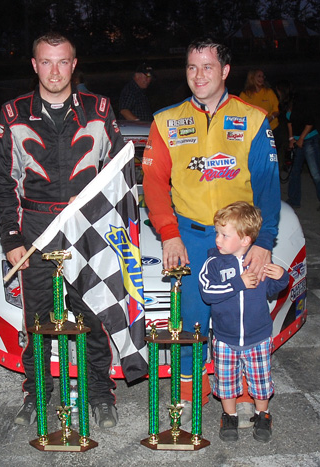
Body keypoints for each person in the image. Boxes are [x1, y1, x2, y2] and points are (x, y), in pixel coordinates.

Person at [142, 38, 280, 429]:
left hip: (243, 241)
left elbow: (268, 186)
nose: (198, 75)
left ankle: (247, 393)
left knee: (243, 315)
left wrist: (264, 243)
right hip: (191, 236)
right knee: (191, 318)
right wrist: (169, 234)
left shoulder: (252, 118)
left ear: (225, 71)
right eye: (191, 67)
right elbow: (153, 183)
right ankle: (190, 393)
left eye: (207, 67)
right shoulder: (166, 120)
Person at [0, 32, 125, 428]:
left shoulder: (100, 109)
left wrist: (105, 218)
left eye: (62, 61)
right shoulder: (13, 113)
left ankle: (100, 393)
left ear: (74, 64)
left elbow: (119, 172)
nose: (54, 71)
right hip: (35, 230)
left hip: (86, 228)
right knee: (37, 322)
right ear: (34, 65)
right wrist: (11, 238)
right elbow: (2, 181)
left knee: (93, 317)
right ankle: (37, 394)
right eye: (46, 62)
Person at [199, 201, 289, 442]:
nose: (217, 239)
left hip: (258, 337)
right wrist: (238, 283)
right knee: (226, 382)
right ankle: (229, 416)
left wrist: (282, 278)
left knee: (261, 381)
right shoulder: (214, 263)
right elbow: (207, 292)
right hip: (225, 338)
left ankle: (263, 414)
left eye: (224, 235)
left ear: (246, 240)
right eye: (217, 233)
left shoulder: (258, 263)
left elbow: (273, 289)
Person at [275, 81, 320, 210]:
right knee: (294, 171)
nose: (277, 94)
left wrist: (301, 139)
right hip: (297, 140)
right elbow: (289, 122)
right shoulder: (285, 104)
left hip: (310, 139)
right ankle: (294, 200)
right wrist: (291, 139)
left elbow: (310, 122)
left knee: (315, 173)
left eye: (278, 91)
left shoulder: (300, 103)